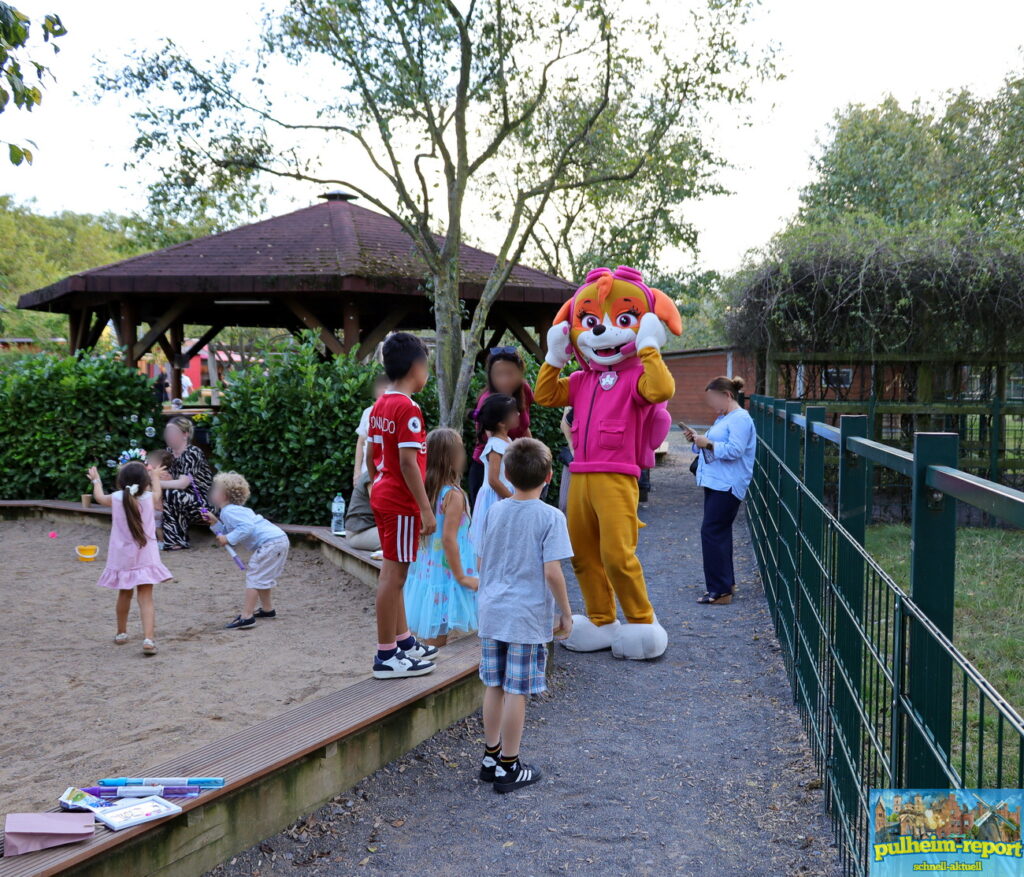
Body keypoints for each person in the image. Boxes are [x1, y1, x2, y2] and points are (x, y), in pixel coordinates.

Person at [476, 438, 573, 793]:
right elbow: (552, 571)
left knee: (494, 684)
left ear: (507, 473)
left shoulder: (494, 511)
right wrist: (566, 613)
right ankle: (509, 766)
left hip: (492, 610)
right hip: (525, 615)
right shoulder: (551, 517)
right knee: (517, 689)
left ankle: (490, 757)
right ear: (549, 476)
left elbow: (482, 562)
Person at [367, 332, 440, 678]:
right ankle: (386, 655)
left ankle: (403, 642)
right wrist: (425, 508)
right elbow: (409, 462)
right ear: (417, 366)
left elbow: (371, 452)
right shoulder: (408, 408)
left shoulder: (381, 402)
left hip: (383, 494)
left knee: (394, 574)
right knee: (394, 577)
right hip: (400, 501)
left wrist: (375, 482)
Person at [683, 376, 757, 605]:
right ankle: (726, 583)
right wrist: (696, 440)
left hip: (728, 484)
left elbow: (735, 450)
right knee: (719, 532)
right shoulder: (724, 417)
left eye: (714, 399)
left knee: (712, 532)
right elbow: (710, 444)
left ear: (727, 395)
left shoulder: (740, 419)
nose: (712, 405)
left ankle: (719, 591)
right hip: (716, 482)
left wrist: (709, 444)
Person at [87, 460, 172, 656]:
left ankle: (121, 633)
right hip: (145, 556)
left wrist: (96, 480)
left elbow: (99, 497)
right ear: (145, 483)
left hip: (122, 557)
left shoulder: (117, 498)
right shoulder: (149, 498)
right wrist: (156, 477)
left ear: (120, 481)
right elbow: (158, 494)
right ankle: (148, 639)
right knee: (146, 598)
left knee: (124, 594)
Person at [404, 428, 479, 648]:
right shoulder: (453, 496)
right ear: (452, 457)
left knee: (431, 633)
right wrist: (462, 578)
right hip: (447, 576)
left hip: (428, 573)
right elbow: (449, 539)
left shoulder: (426, 491)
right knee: (436, 639)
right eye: (461, 449)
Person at [201, 471, 291, 629]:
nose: (212, 492)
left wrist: (227, 539)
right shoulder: (233, 511)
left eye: (215, 489)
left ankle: (247, 616)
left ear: (223, 495)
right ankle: (267, 609)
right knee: (262, 576)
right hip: (277, 540)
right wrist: (214, 523)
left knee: (254, 576)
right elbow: (229, 531)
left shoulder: (229, 511)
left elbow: (245, 528)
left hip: (270, 543)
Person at [467, 348, 533, 508]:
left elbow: (525, 428)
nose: (505, 380)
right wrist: (514, 500)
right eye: (499, 374)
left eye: (510, 373)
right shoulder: (488, 402)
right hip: (494, 471)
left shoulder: (524, 390)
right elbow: (495, 479)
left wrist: (536, 458)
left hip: (515, 466)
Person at [469, 394, 519, 554]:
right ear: (502, 422)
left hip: (504, 495)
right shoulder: (495, 445)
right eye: (514, 412)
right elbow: (493, 480)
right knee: (494, 542)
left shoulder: (508, 440)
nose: (518, 414)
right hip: (496, 498)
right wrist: (513, 501)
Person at [159, 416, 214, 550]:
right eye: (167, 433)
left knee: (172, 493)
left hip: (203, 503)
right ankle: (169, 539)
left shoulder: (193, 453)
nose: (168, 436)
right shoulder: (169, 452)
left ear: (185, 434)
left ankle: (177, 540)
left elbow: (182, 484)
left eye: (173, 433)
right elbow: (169, 479)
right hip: (182, 498)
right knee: (167, 494)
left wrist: (154, 482)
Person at [354, 374, 391, 487]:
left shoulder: (397, 412)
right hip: (365, 473)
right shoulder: (367, 412)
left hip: (386, 476)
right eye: (378, 387)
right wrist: (356, 472)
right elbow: (361, 442)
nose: (381, 391)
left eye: (385, 387)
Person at [344, 471, 381, 552]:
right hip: (359, 533)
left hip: (374, 529)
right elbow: (379, 507)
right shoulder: (372, 475)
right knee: (404, 540)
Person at [147, 449, 171, 546]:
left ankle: (160, 542)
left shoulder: (153, 475)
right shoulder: (167, 474)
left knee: (156, 526)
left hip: (156, 507)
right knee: (157, 526)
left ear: (159, 463)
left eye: (152, 460)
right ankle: (158, 541)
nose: (149, 461)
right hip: (159, 507)